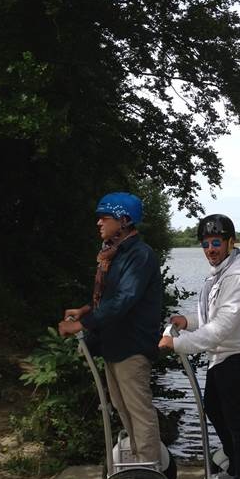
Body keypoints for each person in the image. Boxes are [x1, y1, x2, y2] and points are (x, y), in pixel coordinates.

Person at [159, 214, 240, 479]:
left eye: (216, 242)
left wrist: (177, 344)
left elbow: (221, 328)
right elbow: (211, 320)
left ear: (231, 242)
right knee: (215, 409)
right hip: (222, 355)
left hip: (239, 355)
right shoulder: (221, 274)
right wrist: (186, 322)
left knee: (238, 420)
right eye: (205, 244)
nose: (210, 249)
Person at [58, 192, 163, 465]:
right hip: (114, 343)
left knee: (139, 412)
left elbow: (125, 300)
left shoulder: (140, 255)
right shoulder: (114, 254)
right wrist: (87, 310)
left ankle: (150, 475)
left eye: (105, 217)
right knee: (121, 408)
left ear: (124, 220)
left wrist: (83, 323)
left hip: (132, 345)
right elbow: (111, 298)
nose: (99, 223)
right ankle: (140, 464)